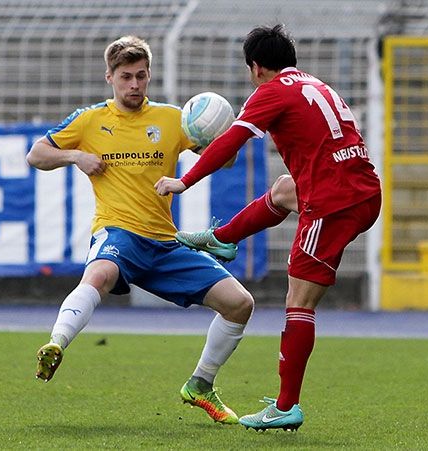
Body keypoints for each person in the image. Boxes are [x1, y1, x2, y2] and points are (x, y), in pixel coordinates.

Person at [155, 24, 382, 431]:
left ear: (255, 67)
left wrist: (183, 181)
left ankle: (285, 406)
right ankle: (223, 240)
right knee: (282, 190)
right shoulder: (316, 85)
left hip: (333, 203)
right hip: (361, 191)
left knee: (299, 301)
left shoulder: (271, 92)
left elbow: (230, 142)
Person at [26, 35, 254, 425]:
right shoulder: (90, 120)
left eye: (141, 76)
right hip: (120, 233)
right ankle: (56, 343)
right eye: (126, 77)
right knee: (100, 273)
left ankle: (200, 385)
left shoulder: (171, 119)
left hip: (166, 243)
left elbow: (226, 162)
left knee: (240, 304)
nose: (134, 85)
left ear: (149, 77)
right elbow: (37, 154)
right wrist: (76, 155)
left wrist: (220, 137)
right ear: (110, 78)